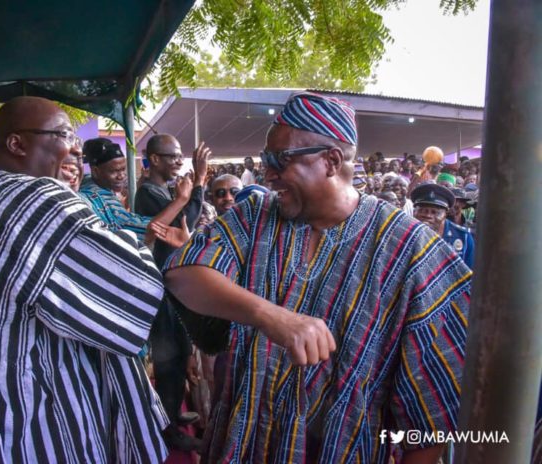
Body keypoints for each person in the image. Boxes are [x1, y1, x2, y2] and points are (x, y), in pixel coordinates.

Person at [164, 92, 471, 463]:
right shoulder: (257, 215)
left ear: (331, 160)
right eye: (266, 160)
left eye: (280, 160)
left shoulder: (410, 249)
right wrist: (271, 316)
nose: (268, 173)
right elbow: (183, 274)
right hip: (241, 446)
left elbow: (432, 416)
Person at [0, 97, 169, 463]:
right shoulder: (32, 196)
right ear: (17, 144)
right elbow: (129, 284)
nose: (74, 147)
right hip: (3, 403)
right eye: (62, 134)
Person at [135, 134, 209, 452]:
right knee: (168, 359)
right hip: (160, 287)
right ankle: (165, 433)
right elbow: (184, 224)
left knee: (179, 355)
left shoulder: (164, 189)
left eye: (181, 156)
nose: (179, 161)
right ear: (153, 159)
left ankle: (171, 416)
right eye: (173, 156)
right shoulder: (148, 193)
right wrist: (201, 182)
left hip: (172, 285)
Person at [80, 137, 192, 241]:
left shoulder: (97, 186)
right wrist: (181, 199)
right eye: (114, 171)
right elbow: (147, 231)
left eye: (123, 169)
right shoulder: (96, 196)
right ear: (95, 171)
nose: (121, 176)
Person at [411, 183, 475, 269]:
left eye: (434, 212)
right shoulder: (403, 234)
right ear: (414, 212)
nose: (428, 216)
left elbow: (470, 275)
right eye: (423, 211)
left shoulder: (463, 237)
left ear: (446, 213)